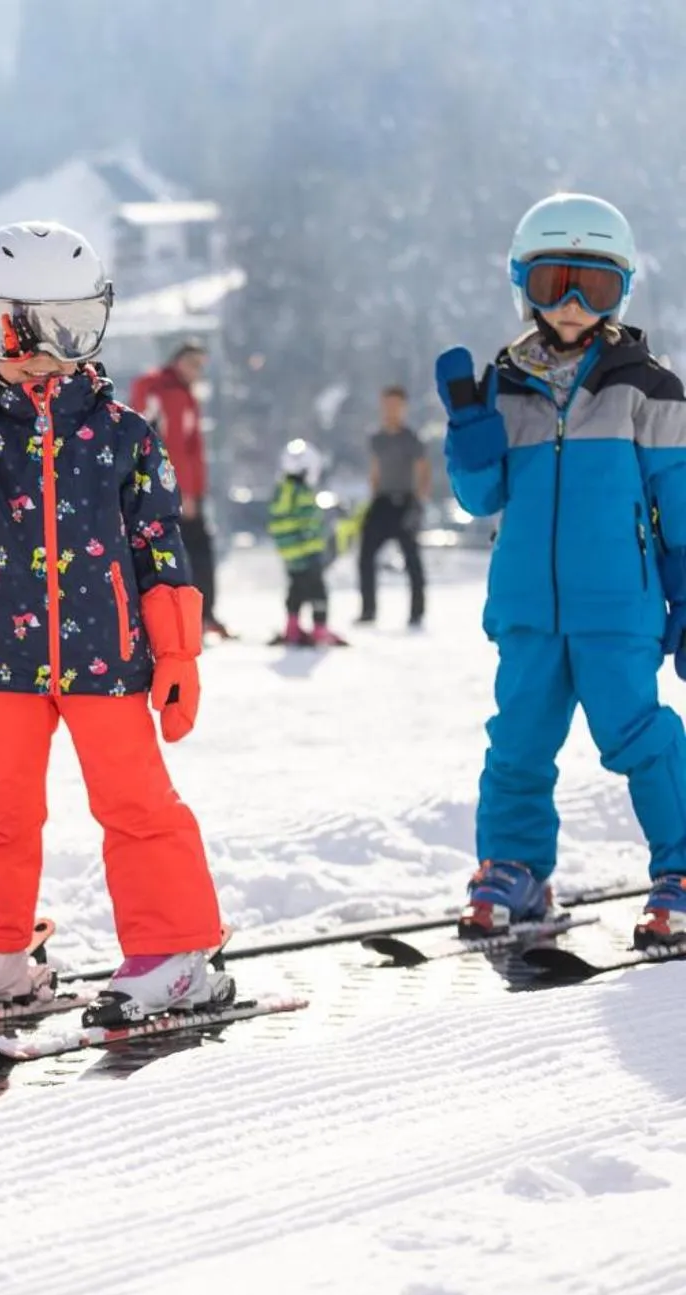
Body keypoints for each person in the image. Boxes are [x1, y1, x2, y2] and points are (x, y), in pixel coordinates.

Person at [0, 221, 229, 1024]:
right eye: (10, 327)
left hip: (110, 657)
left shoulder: (125, 436)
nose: (36, 350)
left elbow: (159, 543)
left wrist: (177, 655)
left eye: (64, 328)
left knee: (135, 803)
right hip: (2, 656)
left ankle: (174, 951)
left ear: (94, 325)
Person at [437, 191, 686, 947]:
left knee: (638, 736)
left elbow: (678, 505)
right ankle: (515, 867)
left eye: (594, 286)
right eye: (555, 284)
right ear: (525, 286)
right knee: (517, 741)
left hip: (618, 607)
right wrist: (468, 434)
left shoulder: (649, 387)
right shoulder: (500, 386)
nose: (574, 304)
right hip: (528, 609)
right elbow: (480, 495)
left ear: (621, 292)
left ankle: (680, 867)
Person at [131, 339, 232, 639]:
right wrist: (180, 490)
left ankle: (203, 614)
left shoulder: (187, 395)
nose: (196, 370)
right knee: (175, 554)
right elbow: (163, 442)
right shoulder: (156, 387)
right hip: (165, 489)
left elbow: (192, 448)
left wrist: (197, 488)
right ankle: (183, 617)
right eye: (192, 363)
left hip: (187, 489)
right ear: (176, 361)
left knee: (197, 551)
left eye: (201, 365)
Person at [358, 385, 429, 627]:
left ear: (404, 407)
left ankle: (417, 613)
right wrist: (372, 495)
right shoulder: (376, 438)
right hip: (381, 502)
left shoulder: (411, 438)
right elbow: (375, 470)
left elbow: (422, 472)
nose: (391, 409)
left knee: (412, 560)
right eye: (387, 404)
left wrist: (419, 503)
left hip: (405, 501)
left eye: (396, 405)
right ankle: (368, 610)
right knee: (365, 556)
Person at [268, 439, 348, 647]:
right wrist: (319, 540)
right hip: (307, 551)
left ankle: (292, 627)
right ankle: (320, 628)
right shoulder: (302, 492)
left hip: (289, 552)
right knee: (318, 589)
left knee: (296, 588)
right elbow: (309, 523)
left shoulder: (281, 491)